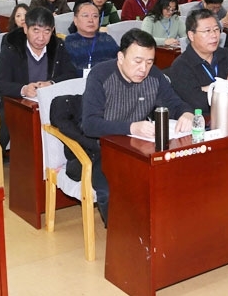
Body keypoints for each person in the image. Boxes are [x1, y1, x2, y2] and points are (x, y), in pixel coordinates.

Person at [82, 28, 194, 217]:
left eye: (149, 62)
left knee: (177, 178)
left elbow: (175, 103)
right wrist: (131, 127)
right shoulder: (100, 75)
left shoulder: (154, 76)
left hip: (139, 148)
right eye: (138, 61)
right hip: (103, 149)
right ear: (121, 57)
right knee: (114, 193)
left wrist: (187, 113)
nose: (144, 69)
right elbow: (90, 124)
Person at [0, 7, 78, 150]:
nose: (41, 37)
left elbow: (72, 74)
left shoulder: (58, 46)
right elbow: (0, 84)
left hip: (50, 104)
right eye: (36, 30)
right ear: (25, 28)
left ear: (52, 30)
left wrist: (51, 83)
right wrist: (24, 89)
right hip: (18, 104)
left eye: (47, 31)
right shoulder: (12, 48)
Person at [169, 8, 228, 113]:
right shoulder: (181, 66)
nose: (214, 35)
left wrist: (212, 88)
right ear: (191, 35)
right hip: (203, 121)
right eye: (207, 31)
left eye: (216, 29)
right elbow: (199, 103)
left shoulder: (226, 54)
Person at [65, 2, 120, 74]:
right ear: (75, 20)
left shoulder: (107, 39)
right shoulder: (69, 42)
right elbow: (68, 73)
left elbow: (120, 63)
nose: (91, 20)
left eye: (95, 16)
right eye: (85, 16)